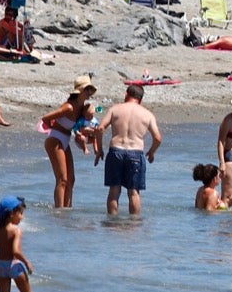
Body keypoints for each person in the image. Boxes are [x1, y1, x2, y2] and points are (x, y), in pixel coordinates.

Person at [97, 84, 162, 216]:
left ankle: (112, 224)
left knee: (114, 191)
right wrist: (151, 152)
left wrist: (99, 149)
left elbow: (100, 128)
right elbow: (158, 138)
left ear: (126, 95)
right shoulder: (147, 114)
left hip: (116, 151)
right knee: (133, 192)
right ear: (141, 99)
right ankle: (134, 226)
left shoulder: (115, 110)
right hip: (135, 153)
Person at [39, 76, 99, 209]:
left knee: (71, 180)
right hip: (55, 139)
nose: (89, 92)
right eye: (87, 89)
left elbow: (79, 127)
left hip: (65, 139)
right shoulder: (69, 107)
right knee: (62, 179)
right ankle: (59, 211)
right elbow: (45, 118)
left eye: (90, 89)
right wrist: (53, 128)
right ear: (80, 91)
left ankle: (68, 210)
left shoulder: (82, 108)